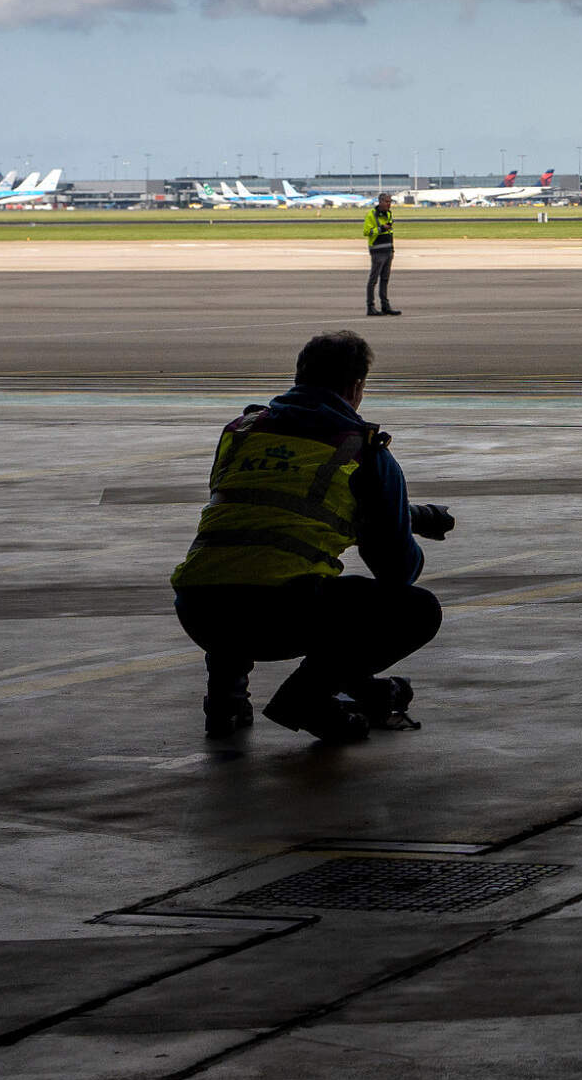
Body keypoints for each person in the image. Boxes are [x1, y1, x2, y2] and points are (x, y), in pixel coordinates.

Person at [171, 329, 452, 741]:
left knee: (240, 559)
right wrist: (398, 520)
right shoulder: (364, 451)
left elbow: (266, 511)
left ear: (299, 376)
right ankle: (305, 698)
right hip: (280, 619)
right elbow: (396, 569)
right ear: (356, 387)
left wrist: (406, 515)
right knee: (417, 611)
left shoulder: (241, 432)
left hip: (199, 613)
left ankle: (225, 700)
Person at [362, 192, 397, 316]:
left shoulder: (388, 214)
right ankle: (370, 306)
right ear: (380, 202)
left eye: (390, 202)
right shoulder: (371, 215)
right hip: (377, 251)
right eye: (387, 202)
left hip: (388, 250)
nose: (389, 204)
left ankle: (385, 305)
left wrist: (391, 250)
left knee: (385, 279)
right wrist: (381, 228)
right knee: (373, 280)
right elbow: (367, 232)